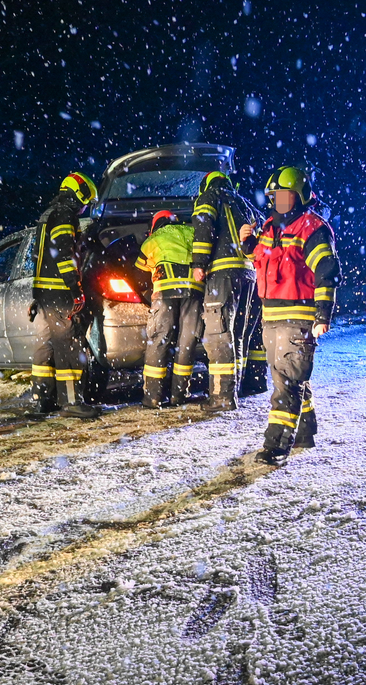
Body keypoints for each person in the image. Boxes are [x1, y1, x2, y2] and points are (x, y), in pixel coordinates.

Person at [241, 165, 340, 466]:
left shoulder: (311, 228)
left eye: (286, 196)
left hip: (298, 318)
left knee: (286, 383)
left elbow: (327, 271)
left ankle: (276, 445)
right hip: (271, 317)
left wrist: (323, 314)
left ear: (300, 197)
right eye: (275, 196)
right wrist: (248, 244)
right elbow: (262, 259)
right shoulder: (269, 228)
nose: (279, 201)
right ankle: (305, 431)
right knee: (289, 378)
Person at [30, 171, 102, 418]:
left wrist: (36, 294)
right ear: (78, 195)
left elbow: (39, 258)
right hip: (60, 293)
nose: (84, 208)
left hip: (44, 292)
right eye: (85, 202)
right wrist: (75, 288)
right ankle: (71, 402)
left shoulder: (46, 216)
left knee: (46, 346)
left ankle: (42, 399)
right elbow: (64, 254)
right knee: (70, 345)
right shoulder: (64, 216)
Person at [189, 170, 259, 411]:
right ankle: (234, 392)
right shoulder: (243, 202)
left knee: (219, 335)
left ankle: (221, 398)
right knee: (237, 335)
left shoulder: (208, 198)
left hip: (222, 274)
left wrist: (198, 263)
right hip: (249, 274)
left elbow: (203, 228)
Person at [136, 210, 204, 407]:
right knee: (187, 342)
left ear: (155, 225)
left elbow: (139, 271)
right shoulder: (192, 233)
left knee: (159, 340)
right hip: (194, 291)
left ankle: (153, 397)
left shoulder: (154, 238)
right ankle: (179, 395)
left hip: (165, 293)